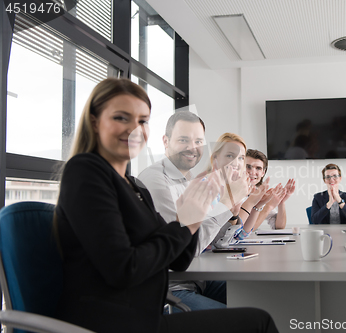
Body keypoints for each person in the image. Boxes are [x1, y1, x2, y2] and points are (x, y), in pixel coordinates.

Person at [54, 78, 278, 333]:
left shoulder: (133, 187)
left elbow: (180, 257)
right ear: (95, 122)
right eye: (121, 118)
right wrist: (189, 223)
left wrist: (189, 219)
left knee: (266, 304)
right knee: (260, 322)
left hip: (145, 312)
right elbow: (124, 269)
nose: (134, 129)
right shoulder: (86, 171)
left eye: (142, 120)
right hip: (118, 321)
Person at [138, 113, 248, 312]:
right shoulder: (157, 181)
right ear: (165, 141)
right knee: (249, 318)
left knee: (262, 296)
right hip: (171, 289)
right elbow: (184, 250)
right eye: (183, 140)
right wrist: (227, 203)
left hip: (198, 280)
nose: (192, 147)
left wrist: (231, 209)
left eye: (198, 141)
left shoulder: (187, 180)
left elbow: (209, 240)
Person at [245, 149, 296, 230]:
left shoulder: (258, 193)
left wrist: (281, 202)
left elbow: (279, 226)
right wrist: (269, 206)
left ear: (263, 173)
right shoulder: (233, 193)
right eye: (248, 167)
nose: (253, 172)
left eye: (258, 168)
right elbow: (245, 229)